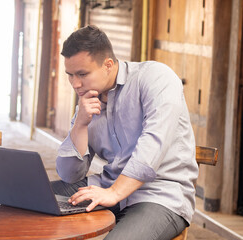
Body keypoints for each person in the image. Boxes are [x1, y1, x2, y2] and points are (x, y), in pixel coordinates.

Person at [51, 25, 198, 240]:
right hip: (106, 186)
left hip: (160, 195)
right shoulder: (88, 102)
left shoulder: (156, 78)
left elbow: (152, 145)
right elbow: (70, 175)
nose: (75, 83)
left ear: (108, 65)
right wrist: (80, 125)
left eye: (82, 74)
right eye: (70, 75)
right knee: (29, 204)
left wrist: (115, 192)